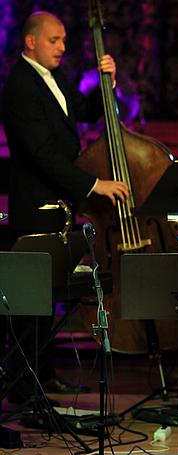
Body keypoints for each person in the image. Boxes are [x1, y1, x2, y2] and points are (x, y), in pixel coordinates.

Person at [1, 11, 129, 401]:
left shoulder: (53, 78)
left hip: (58, 205)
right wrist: (94, 183)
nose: (62, 47)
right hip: (35, 206)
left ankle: (42, 374)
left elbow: (84, 112)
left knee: (47, 300)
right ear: (31, 42)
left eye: (62, 40)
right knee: (31, 303)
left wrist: (106, 83)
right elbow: (42, 154)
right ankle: (25, 388)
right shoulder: (21, 85)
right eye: (54, 40)